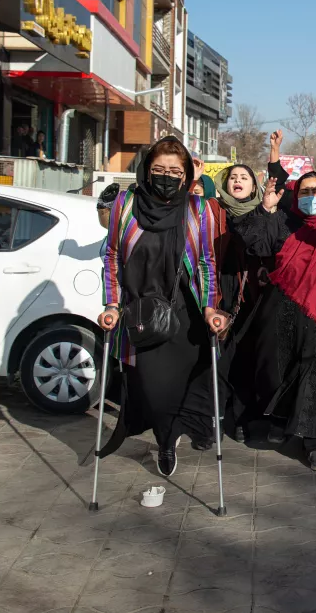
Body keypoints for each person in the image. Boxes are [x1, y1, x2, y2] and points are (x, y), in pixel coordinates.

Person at [96, 136, 224, 477]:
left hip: (184, 315)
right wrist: (111, 302)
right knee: (153, 388)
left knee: (180, 384)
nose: (166, 175)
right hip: (141, 314)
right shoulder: (125, 205)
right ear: (146, 171)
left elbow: (207, 262)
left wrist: (211, 308)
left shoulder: (198, 210)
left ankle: (167, 441)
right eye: (158, 169)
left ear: (185, 175)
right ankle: (165, 436)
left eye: (174, 170)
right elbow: (111, 255)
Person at [232, 169, 316, 471]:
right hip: (281, 306)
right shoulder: (285, 221)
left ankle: (314, 443)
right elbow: (256, 244)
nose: (311, 197)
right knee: (276, 368)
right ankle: (280, 420)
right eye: (305, 192)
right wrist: (266, 208)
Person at [210, 164, 266, 443]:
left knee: (245, 362)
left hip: (251, 299)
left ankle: (242, 419)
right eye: (233, 177)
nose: (238, 181)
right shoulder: (214, 210)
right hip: (219, 295)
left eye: (244, 177)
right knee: (220, 362)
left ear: (254, 186)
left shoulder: (262, 213)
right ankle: (216, 418)